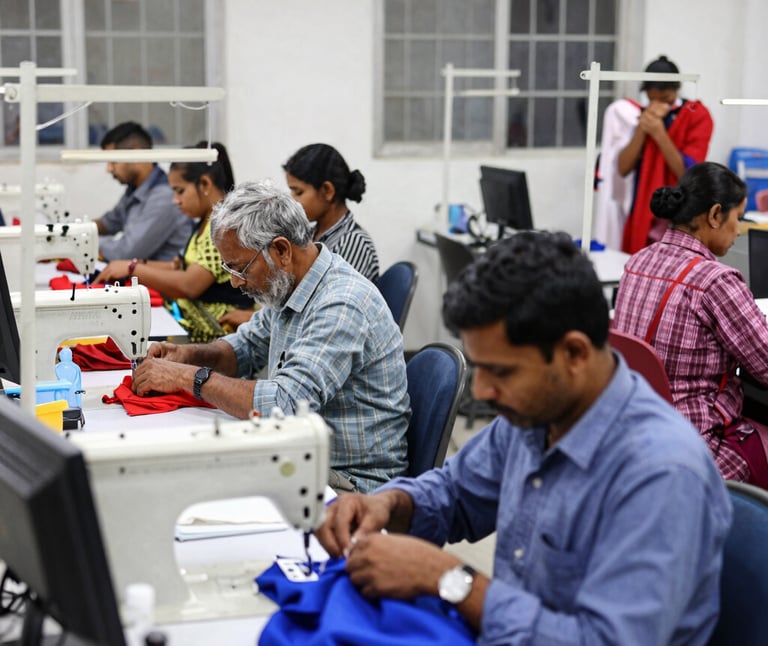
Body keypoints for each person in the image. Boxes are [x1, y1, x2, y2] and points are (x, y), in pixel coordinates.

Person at [316, 230, 732, 644]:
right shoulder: (535, 417)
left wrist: (448, 578)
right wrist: (390, 503)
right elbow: (456, 493)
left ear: (574, 353)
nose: (480, 393)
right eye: (480, 369)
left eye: (502, 372)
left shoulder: (661, 474)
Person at [131, 180, 410, 494]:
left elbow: (283, 405)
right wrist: (190, 355)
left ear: (281, 250)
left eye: (239, 268)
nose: (235, 283)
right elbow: (246, 347)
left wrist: (188, 377)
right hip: (303, 457)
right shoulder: (290, 285)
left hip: (348, 485)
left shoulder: (341, 304)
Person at [613, 161, 768, 487]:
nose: (738, 231)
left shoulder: (638, 261)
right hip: (695, 445)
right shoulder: (715, 281)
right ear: (714, 215)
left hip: (633, 433)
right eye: (737, 218)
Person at [93, 142, 255, 342]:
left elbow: (189, 285)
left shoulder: (223, 229)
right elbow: (177, 267)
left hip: (215, 338)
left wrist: (132, 268)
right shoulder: (204, 224)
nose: (175, 200)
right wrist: (132, 265)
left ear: (204, 184)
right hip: (190, 329)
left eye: (180, 191)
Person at [218, 143, 381, 331]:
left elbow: (336, 313)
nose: (293, 199)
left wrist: (251, 317)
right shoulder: (310, 235)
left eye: (299, 192)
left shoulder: (354, 243)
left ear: (327, 191)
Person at [617, 56, 714, 254]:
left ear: (675, 90)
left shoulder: (696, 115)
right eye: (652, 99)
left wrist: (659, 133)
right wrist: (643, 129)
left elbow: (687, 174)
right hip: (643, 208)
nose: (656, 105)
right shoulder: (641, 116)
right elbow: (623, 167)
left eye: (664, 99)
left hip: (678, 214)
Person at [95, 121, 193, 261]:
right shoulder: (135, 189)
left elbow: (126, 252)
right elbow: (108, 223)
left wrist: (81, 242)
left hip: (160, 281)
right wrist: (74, 230)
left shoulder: (164, 197)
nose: (109, 169)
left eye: (113, 162)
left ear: (136, 156)